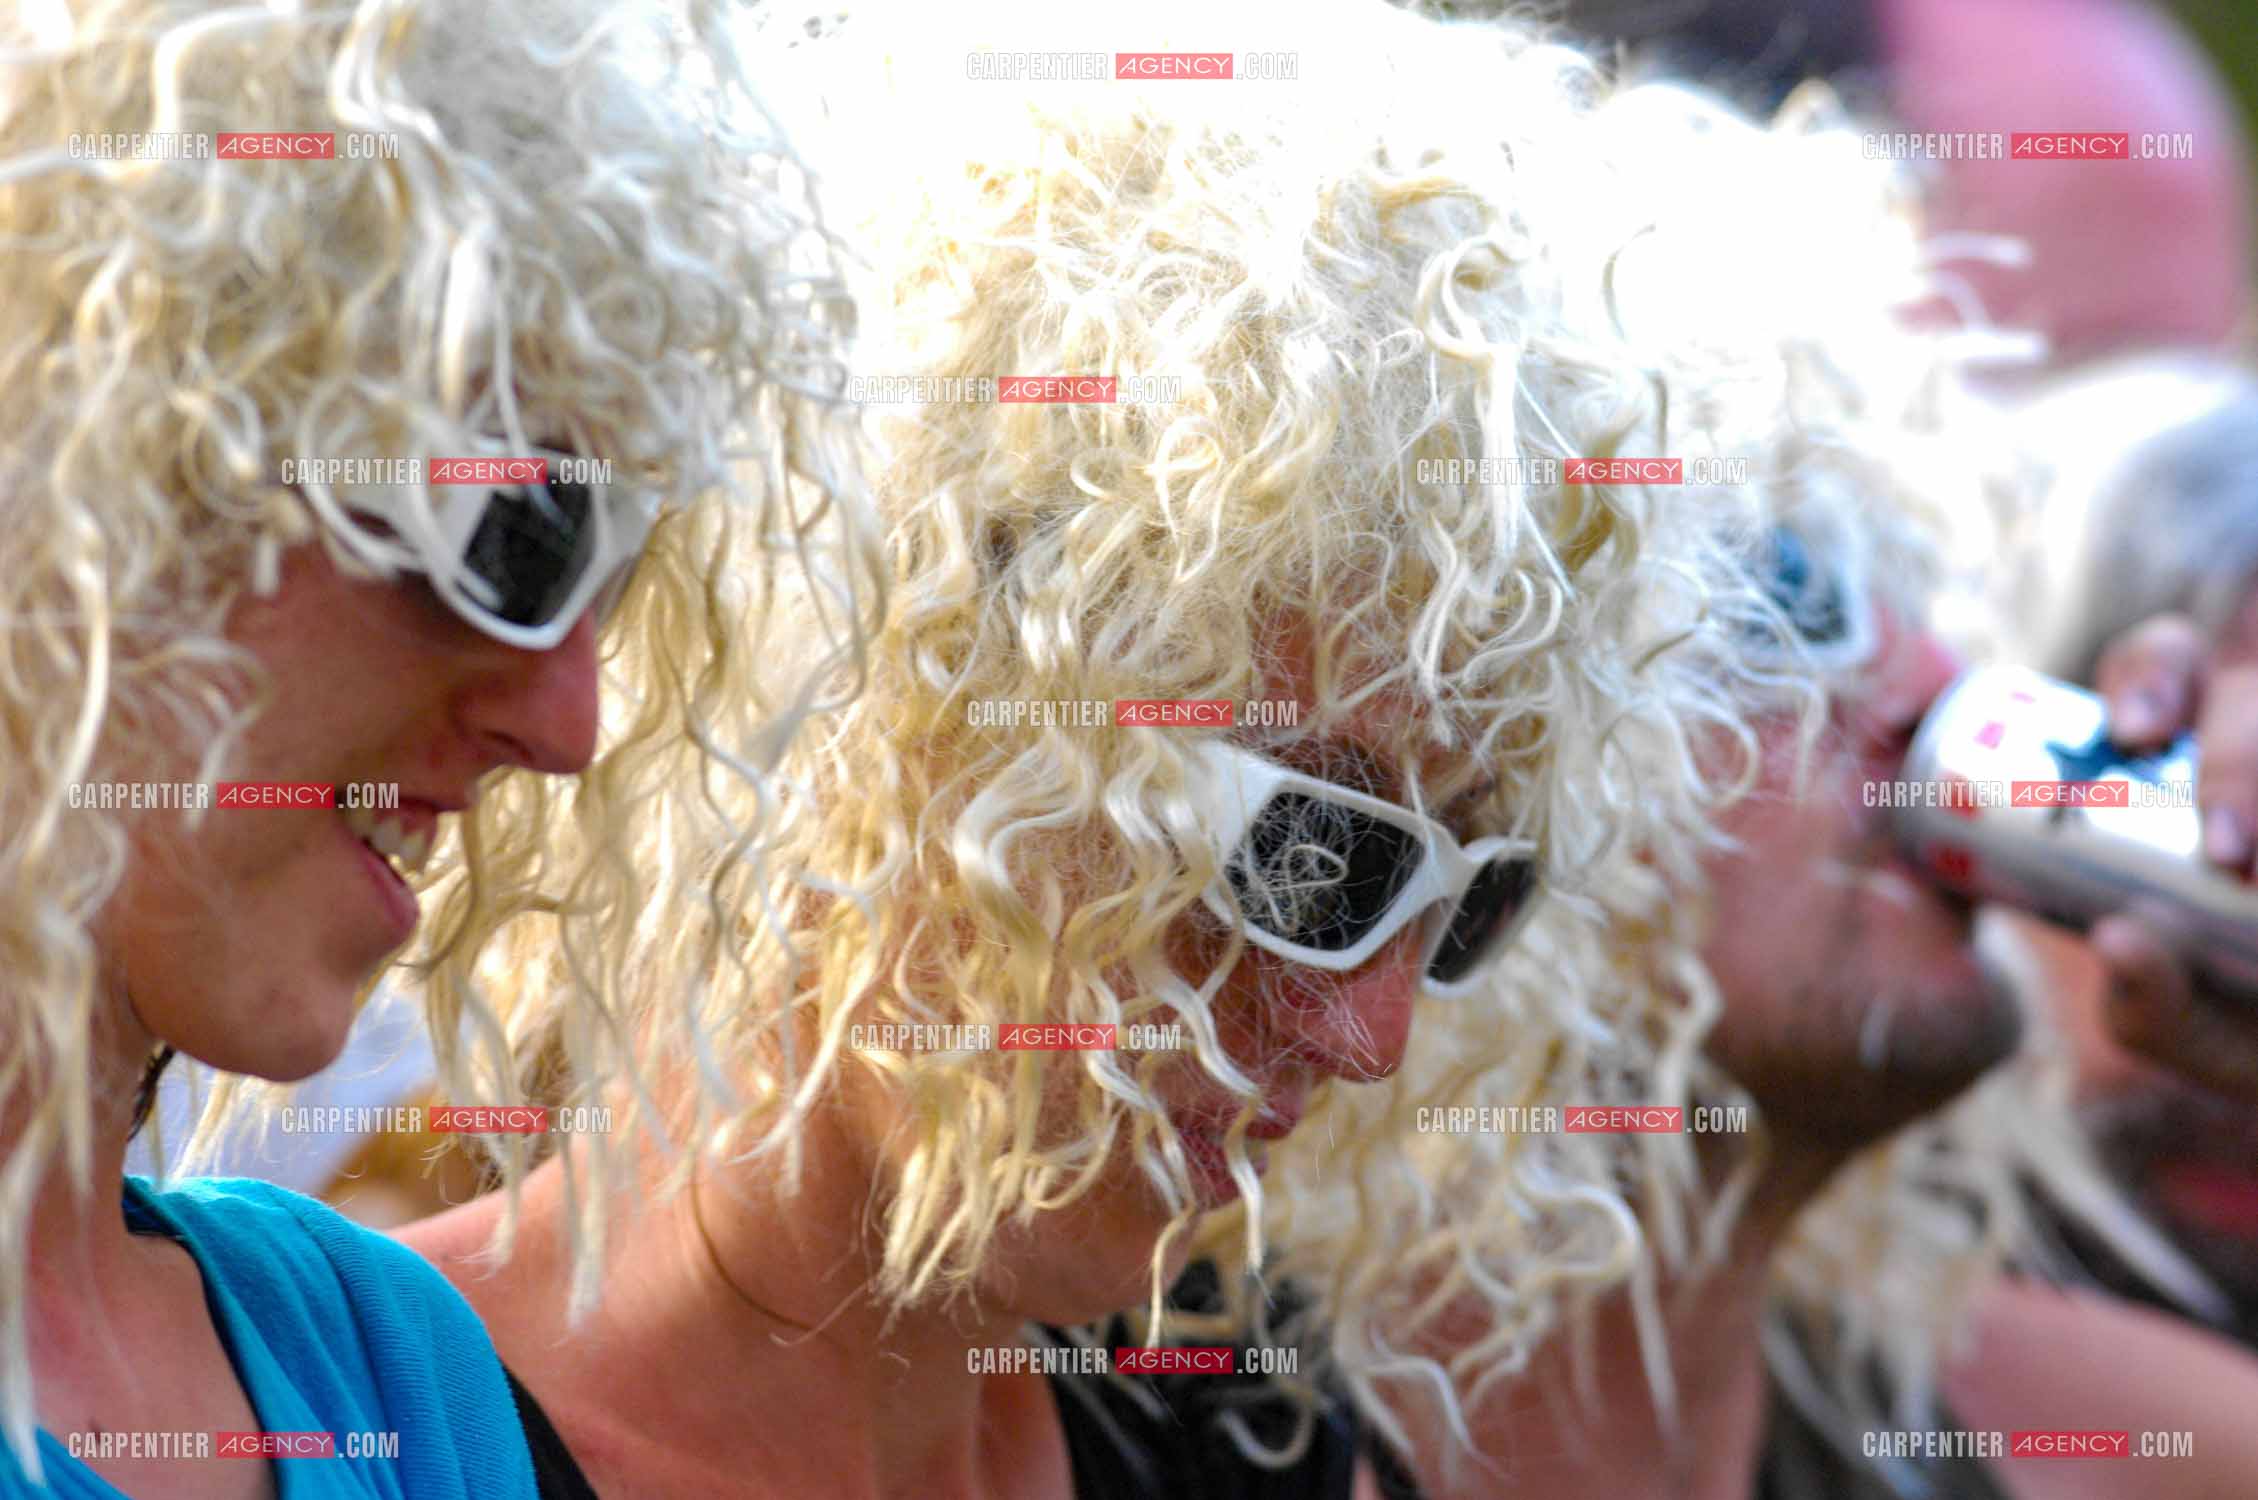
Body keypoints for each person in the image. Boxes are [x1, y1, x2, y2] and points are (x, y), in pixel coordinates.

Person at [389, 2, 1853, 1496]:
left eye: (1470, 901)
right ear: (890, 682)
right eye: (1317, 855)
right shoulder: (322, 1423)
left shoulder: (1249, 1444)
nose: (1370, 1034)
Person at [1, 0, 875, 1494]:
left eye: (620, 580)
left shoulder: (396, 1364)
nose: (568, 725)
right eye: (520, 535)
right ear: (107, 434)